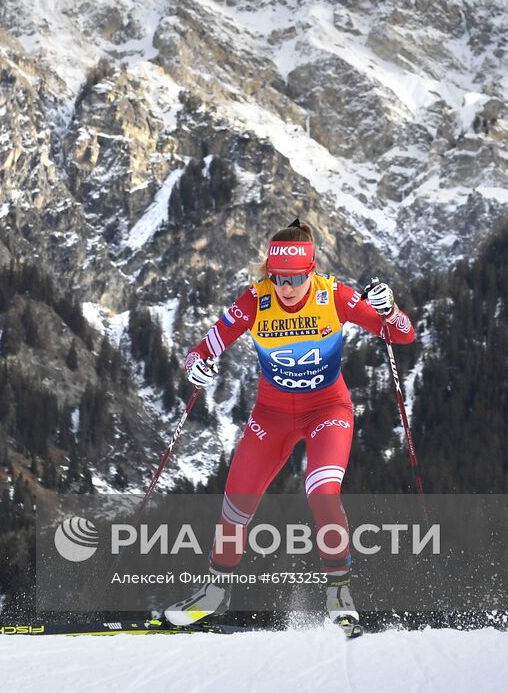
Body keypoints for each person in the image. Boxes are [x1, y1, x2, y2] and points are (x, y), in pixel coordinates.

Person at [163, 219, 415, 634]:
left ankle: (339, 593)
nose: (287, 287)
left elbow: (400, 335)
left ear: (311, 270)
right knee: (235, 504)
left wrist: (391, 310)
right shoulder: (254, 301)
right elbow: (201, 351)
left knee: (322, 492)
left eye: (296, 277)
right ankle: (214, 593)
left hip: (327, 409)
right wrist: (197, 368)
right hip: (272, 415)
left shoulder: (334, 295)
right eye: (278, 277)